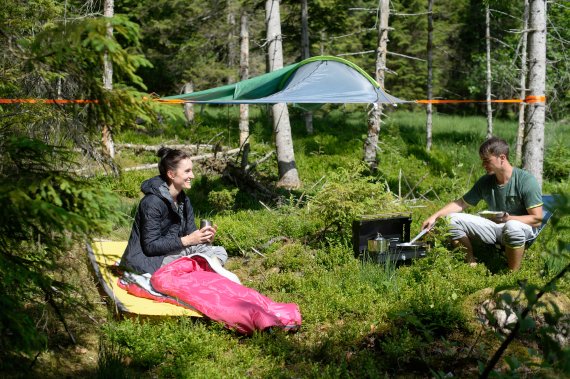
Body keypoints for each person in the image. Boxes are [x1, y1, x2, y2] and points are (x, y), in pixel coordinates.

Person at [421, 136, 543, 271]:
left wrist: (508, 218)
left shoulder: (526, 181)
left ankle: (512, 274)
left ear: (502, 158)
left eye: (487, 160)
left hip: (522, 228)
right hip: (495, 226)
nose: (483, 165)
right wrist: (434, 216)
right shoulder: (485, 181)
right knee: (451, 219)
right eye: (482, 161)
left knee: (512, 226)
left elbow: (537, 219)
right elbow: (461, 203)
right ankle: (471, 264)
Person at [120, 147, 228, 274]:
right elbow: (150, 246)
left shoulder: (183, 199)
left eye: (191, 171)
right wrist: (188, 240)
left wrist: (204, 237)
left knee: (220, 251)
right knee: (202, 252)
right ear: (171, 174)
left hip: (172, 252)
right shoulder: (151, 203)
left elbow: (191, 232)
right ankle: (212, 272)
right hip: (149, 260)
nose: (192, 175)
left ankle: (198, 269)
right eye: (187, 171)